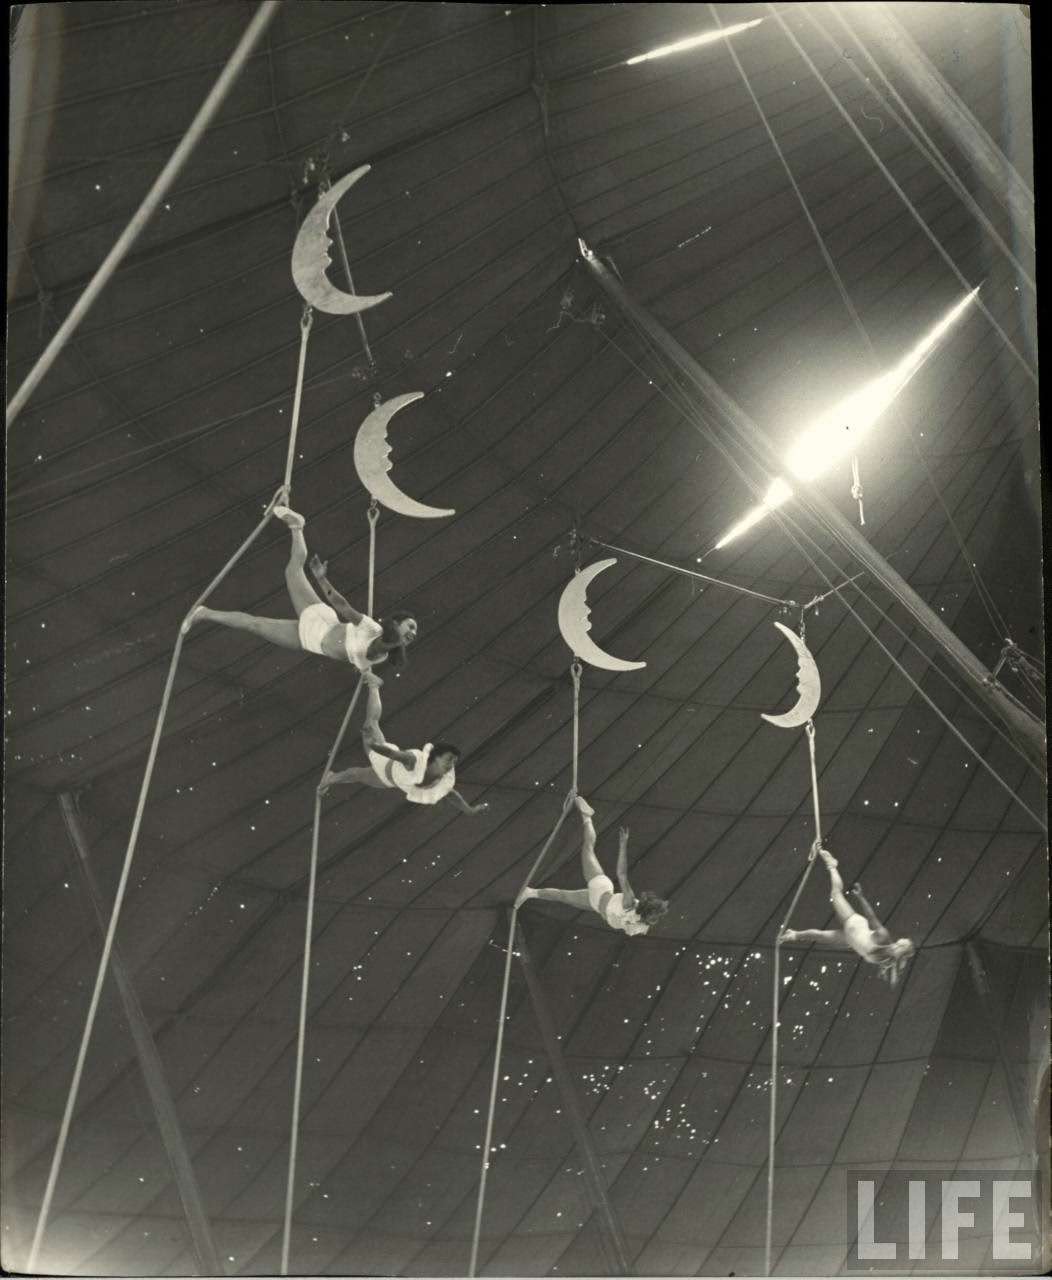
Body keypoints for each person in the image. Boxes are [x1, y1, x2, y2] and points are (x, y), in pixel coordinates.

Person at [183, 506, 417, 671]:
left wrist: (370, 680)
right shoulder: (372, 629)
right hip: (322, 621)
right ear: (396, 622)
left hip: (310, 642)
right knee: (292, 571)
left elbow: (369, 657)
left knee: (255, 624)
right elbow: (342, 606)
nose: (413, 633)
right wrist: (321, 579)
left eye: (414, 633)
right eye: (411, 626)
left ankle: (204, 613)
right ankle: (297, 527)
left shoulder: (384, 656)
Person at [319, 672, 488, 815]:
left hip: (389, 781)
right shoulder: (415, 760)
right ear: (434, 758)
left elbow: (451, 795)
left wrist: (469, 810)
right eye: (448, 759)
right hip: (383, 760)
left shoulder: (442, 778)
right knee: (371, 724)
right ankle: (374, 685)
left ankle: (331, 778)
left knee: (356, 775)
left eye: (454, 762)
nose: (451, 765)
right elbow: (392, 754)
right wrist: (374, 745)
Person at [515, 795, 668, 935]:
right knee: (588, 847)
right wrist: (623, 846)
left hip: (595, 903)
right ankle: (587, 816)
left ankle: (529, 893)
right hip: (600, 887)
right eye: (655, 916)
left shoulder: (640, 924)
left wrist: (632, 924)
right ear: (646, 911)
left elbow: (630, 927)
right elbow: (622, 874)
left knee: (562, 896)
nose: (655, 920)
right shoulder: (629, 902)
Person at [780, 847, 914, 985]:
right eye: (902, 941)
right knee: (835, 894)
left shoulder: (888, 960)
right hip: (854, 924)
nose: (900, 940)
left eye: (903, 942)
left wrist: (888, 969)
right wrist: (860, 897)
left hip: (850, 940)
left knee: (819, 936)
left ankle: (794, 935)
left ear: (902, 948)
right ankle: (832, 865)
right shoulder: (884, 937)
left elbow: (872, 921)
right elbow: (871, 917)